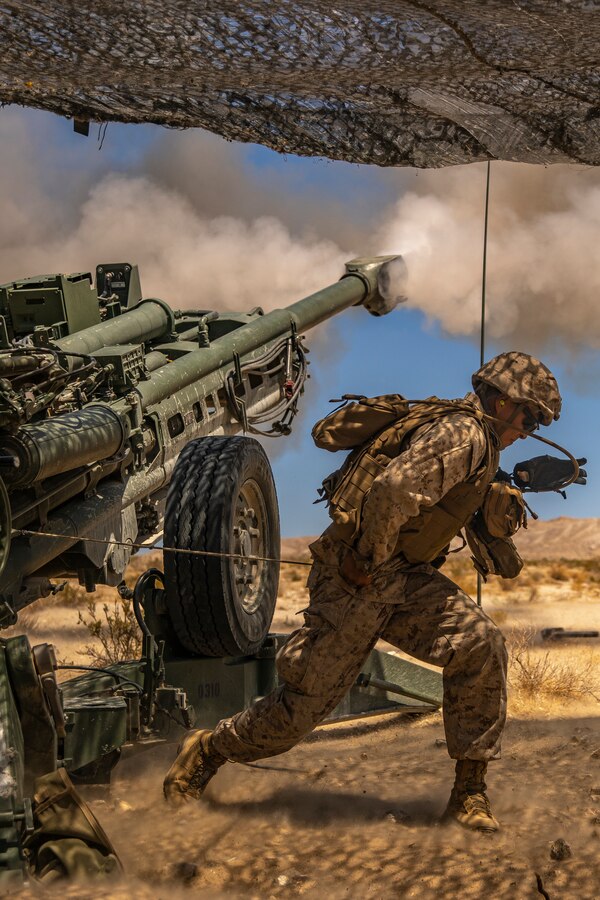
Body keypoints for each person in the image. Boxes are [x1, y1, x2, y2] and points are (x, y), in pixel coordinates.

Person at [163, 351, 562, 833]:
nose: (529, 428)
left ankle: (469, 794)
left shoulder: (474, 442)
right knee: (299, 712)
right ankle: (208, 749)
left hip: (403, 577)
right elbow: (394, 490)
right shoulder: (466, 435)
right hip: (360, 576)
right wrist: (368, 559)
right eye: (530, 416)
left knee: (480, 644)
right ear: (502, 402)